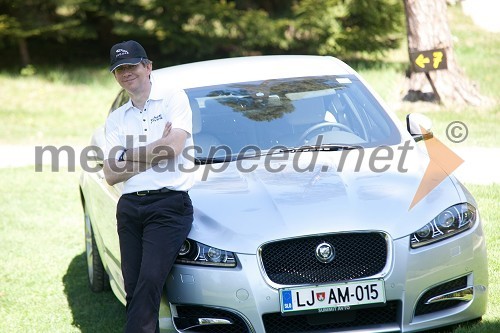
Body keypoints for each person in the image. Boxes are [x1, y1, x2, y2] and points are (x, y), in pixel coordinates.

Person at [103, 40, 194, 333]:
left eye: (131, 66)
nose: (126, 73)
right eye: (119, 69)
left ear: (148, 67)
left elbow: (175, 147)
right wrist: (158, 146)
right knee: (134, 287)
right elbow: (111, 173)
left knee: (150, 281)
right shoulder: (116, 119)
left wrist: (127, 155)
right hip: (129, 207)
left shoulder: (172, 99)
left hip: (168, 204)